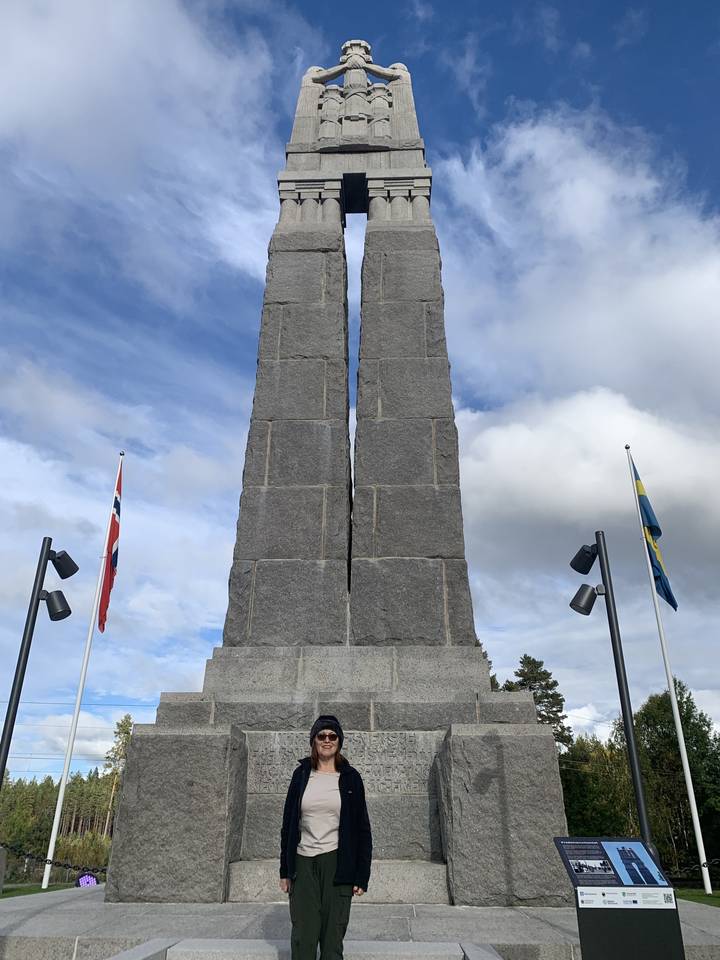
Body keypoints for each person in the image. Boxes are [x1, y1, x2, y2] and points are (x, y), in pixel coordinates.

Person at [279, 714, 372, 960]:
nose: (327, 740)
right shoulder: (300, 776)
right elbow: (288, 825)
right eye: (322, 736)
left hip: (337, 864)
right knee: (303, 938)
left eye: (333, 736)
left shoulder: (351, 778)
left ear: (339, 741)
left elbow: (363, 830)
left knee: (332, 943)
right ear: (314, 741)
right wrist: (285, 871)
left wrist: (362, 875)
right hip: (303, 862)